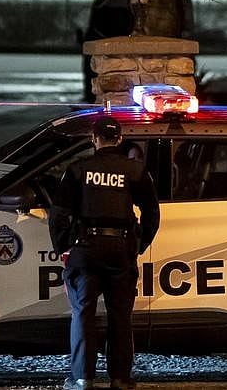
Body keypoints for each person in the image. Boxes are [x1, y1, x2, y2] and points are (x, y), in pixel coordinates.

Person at [50, 116, 160, 390]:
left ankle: (82, 378)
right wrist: (138, 244)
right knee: (120, 314)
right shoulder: (135, 171)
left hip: (86, 249)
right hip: (120, 250)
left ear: (94, 139)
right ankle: (121, 378)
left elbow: (59, 214)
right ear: (119, 139)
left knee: (83, 312)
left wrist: (63, 245)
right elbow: (152, 213)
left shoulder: (78, 169)